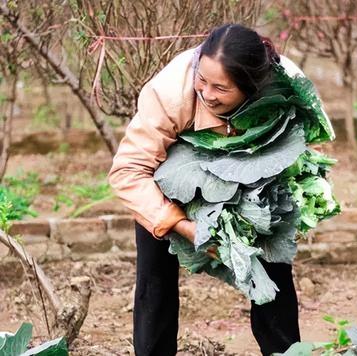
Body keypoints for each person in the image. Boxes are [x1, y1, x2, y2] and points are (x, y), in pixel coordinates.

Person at [108, 24, 304, 356]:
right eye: (202, 80)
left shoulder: (286, 89)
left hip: (248, 183)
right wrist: (185, 226)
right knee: (155, 283)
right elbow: (128, 171)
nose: (207, 93)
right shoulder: (170, 92)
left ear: (251, 87)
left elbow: (298, 149)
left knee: (273, 272)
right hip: (169, 181)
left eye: (220, 88)